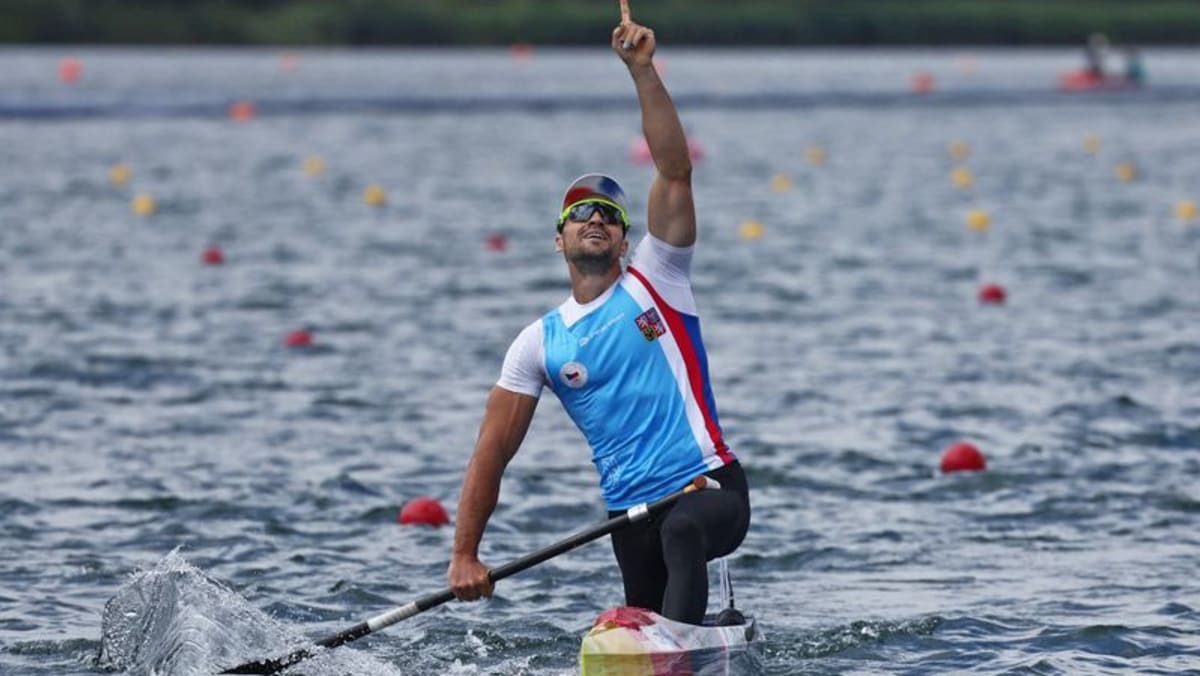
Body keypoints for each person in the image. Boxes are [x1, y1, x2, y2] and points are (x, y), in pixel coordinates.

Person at [446, 3, 750, 627]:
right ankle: (676, 640)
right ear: (560, 240)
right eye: (580, 213)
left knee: (685, 532)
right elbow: (491, 453)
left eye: (609, 214)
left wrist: (642, 70)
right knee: (642, 606)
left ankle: (678, 650)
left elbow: (674, 169)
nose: (596, 219)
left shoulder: (657, 279)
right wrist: (465, 554)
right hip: (629, 518)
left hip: (708, 489)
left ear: (623, 238)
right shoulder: (538, 344)